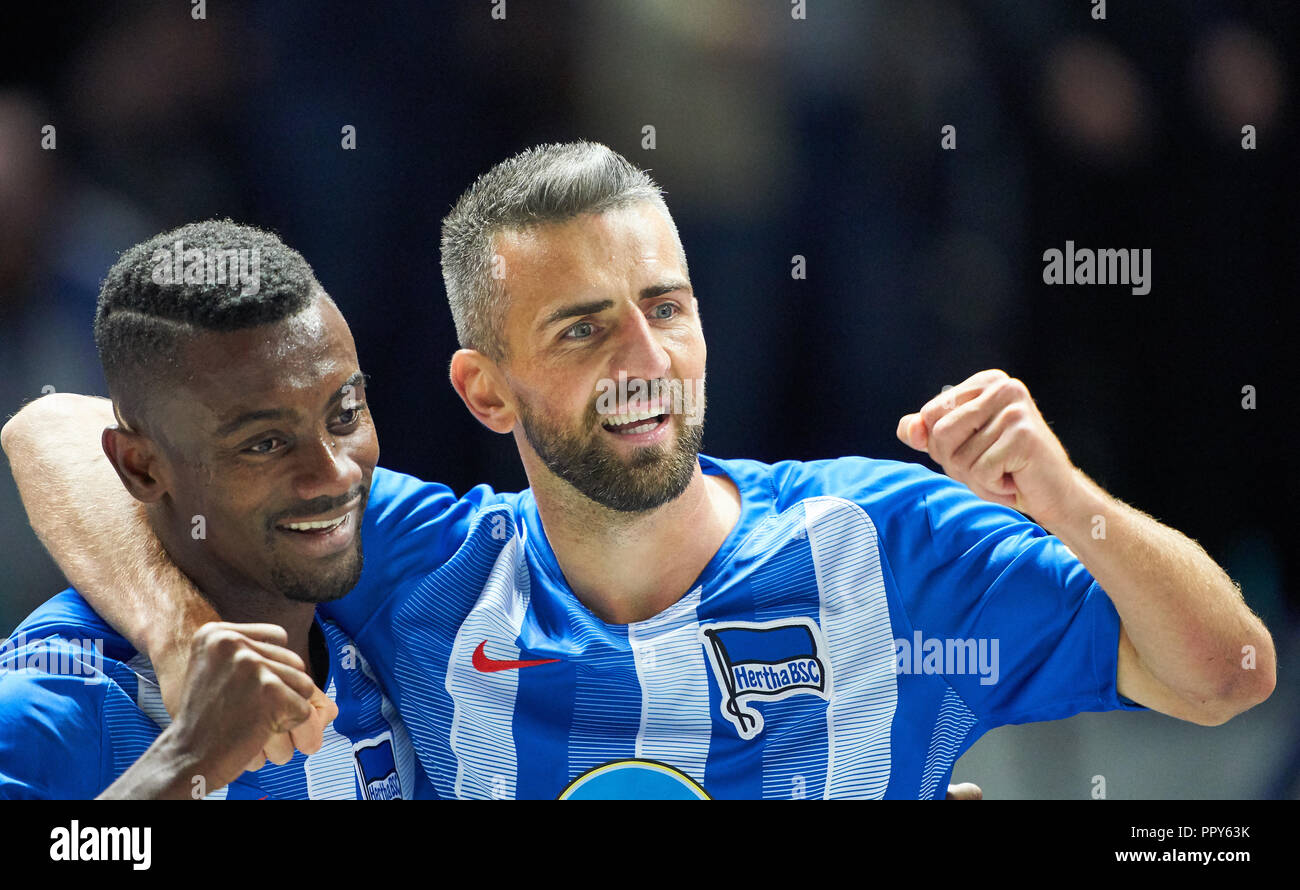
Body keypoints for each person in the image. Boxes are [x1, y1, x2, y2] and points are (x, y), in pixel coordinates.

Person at [4, 143, 1274, 799]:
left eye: (665, 305)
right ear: (482, 390)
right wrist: (175, 651)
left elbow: (1225, 675)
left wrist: (1067, 497)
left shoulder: (882, 545)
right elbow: (52, 426)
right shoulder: (417, 565)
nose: (644, 359)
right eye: (581, 326)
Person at [0, 220, 425, 799]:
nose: (336, 472)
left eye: (345, 414)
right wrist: (185, 761)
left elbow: (48, 425)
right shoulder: (52, 698)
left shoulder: (405, 605)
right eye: (265, 444)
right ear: (141, 468)